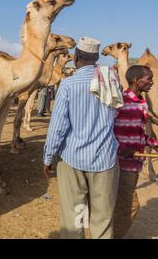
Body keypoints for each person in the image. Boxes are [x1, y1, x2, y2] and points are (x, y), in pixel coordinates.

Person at [43, 37, 121, 239]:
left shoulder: (68, 85)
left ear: (75, 57)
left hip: (73, 160)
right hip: (105, 159)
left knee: (74, 217)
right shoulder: (111, 81)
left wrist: (48, 157)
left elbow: (58, 127)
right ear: (96, 58)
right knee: (102, 219)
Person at [113, 65, 158, 238]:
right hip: (122, 164)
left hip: (135, 164)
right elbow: (106, 130)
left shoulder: (141, 102)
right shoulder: (120, 102)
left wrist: (153, 143)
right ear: (136, 80)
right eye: (149, 78)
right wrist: (123, 149)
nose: (152, 82)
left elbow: (140, 131)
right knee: (130, 206)